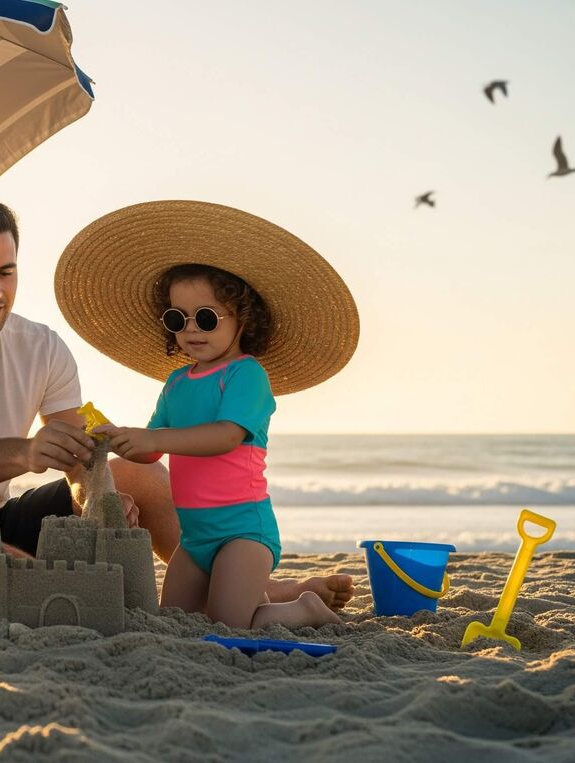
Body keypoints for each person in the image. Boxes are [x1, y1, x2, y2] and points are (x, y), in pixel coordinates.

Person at [58, 200, 359, 629]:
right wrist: (119, 437)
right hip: (195, 537)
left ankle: (304, 609)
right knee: (176, 620)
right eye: (178, 319)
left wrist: (155, 439)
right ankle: (280, 602)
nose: (191, 329)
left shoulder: (246, 375)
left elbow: (225, 436)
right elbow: (150, 451)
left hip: (243, 532)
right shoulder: (178, 383)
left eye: (205, 317)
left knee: (228, 624)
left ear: (243, 318)